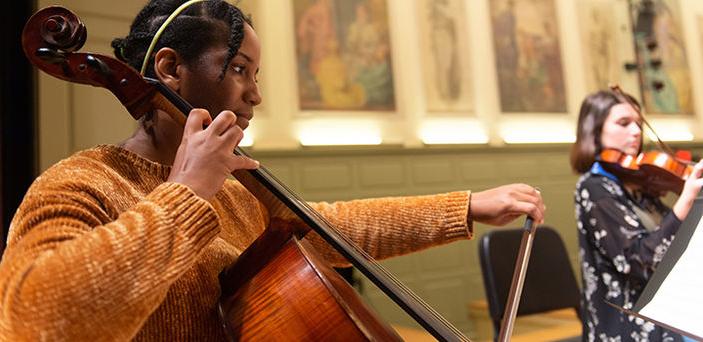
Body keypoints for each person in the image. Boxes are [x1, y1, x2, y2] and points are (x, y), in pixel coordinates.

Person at [0, 0, 545, 340]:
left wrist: (467, 205)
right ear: (170, 69)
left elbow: (334, 229)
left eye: (254, 73)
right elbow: (37, 319)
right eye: (238, 69)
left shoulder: (238, 193)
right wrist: (186, 194)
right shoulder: (82, 184)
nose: (255, 94)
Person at [570, 90, 703, 341]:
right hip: (629, 322)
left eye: (639, 124)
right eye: (623, 123)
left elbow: (680, 242)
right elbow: (639, 262)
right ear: (595, 130)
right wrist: (685, 201)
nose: (636, 131)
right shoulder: (594, 188)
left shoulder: (640, 184)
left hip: (668, 307)